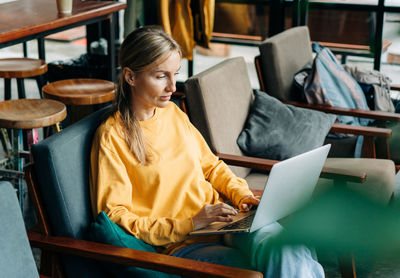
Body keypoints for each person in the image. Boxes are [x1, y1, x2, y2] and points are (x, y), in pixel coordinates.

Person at [89, 25, 324, 277]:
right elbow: (116, 216)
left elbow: (211, 165)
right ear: (131, 76)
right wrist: (191, 223)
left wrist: (242, 195)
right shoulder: (112, 136)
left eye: (175, 73)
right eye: (160, 76)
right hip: (185, 242)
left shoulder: (172, 113)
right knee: (263, 269)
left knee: (286, 248)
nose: (172, 86)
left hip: (227, 222)